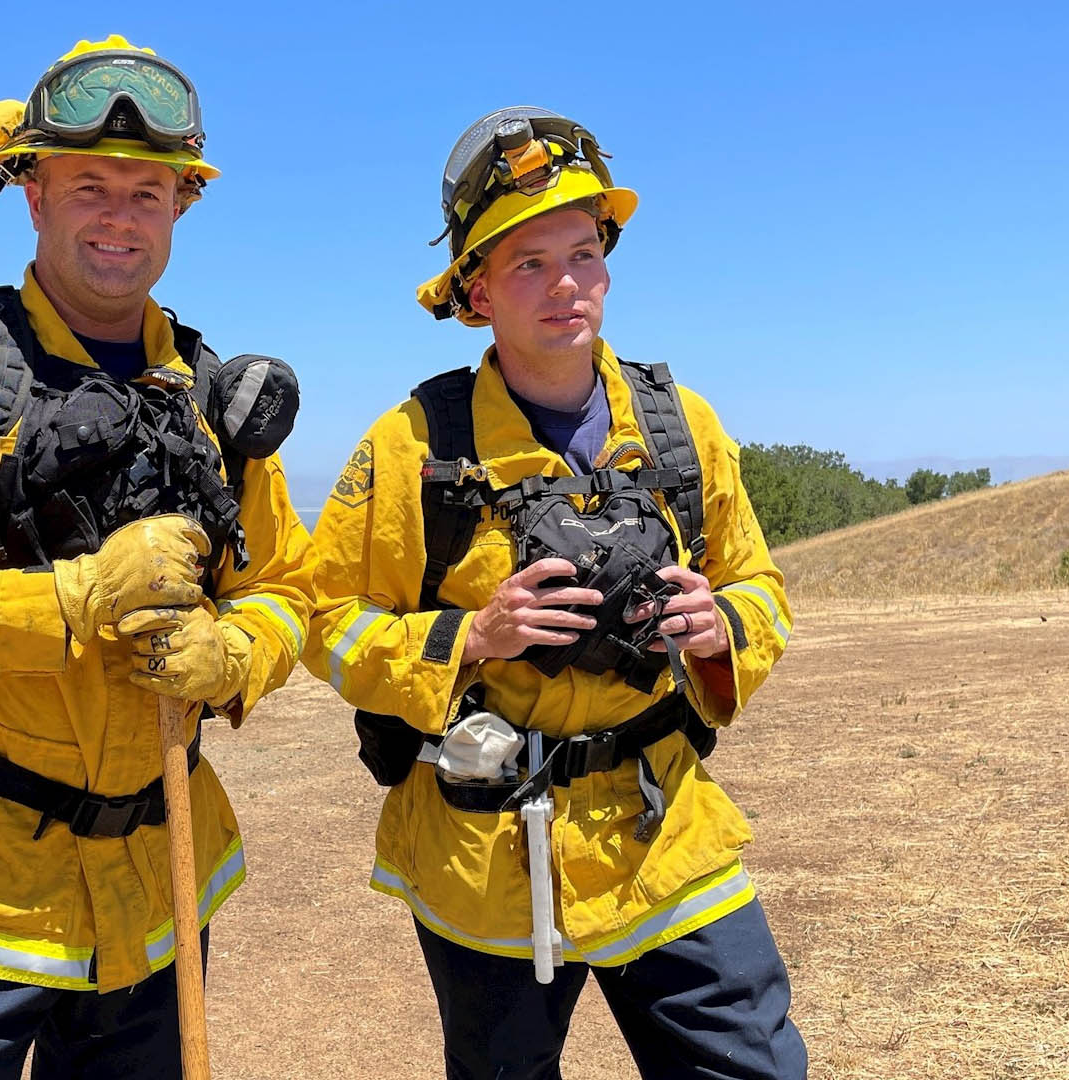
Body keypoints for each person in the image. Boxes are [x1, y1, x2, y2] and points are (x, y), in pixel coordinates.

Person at [0, 35, 312, 1079]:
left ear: (183, 207)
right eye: (88, 185)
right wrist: (78, 598)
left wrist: (238, 657)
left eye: (147, 190)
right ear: (32, 196)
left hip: (161, 893)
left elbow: (288, 589)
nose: (119, 216)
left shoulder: (208, 391)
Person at [304, 106, 806, 1079]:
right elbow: (324, 624)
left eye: (583, 252)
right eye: (528, 263)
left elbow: (759, 587)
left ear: (610, 265)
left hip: (665, 834)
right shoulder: (414, 447)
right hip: (485, 858)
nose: (565, 284)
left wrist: (719, 627)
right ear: (477, 292)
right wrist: (467, 638)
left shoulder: (678, 426)